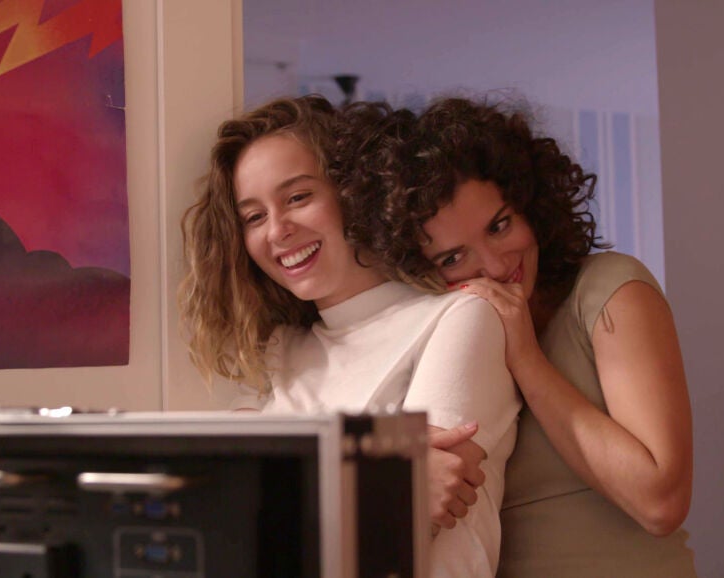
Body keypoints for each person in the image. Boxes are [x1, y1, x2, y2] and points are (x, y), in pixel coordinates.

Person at [345, 96, 697, 577]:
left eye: (499, 225)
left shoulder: (610, 289)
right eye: (453, 258)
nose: (494, 265)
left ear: (531, 204)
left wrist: (528, 360)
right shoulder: (444, 339)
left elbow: (661, 502)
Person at [178, 95, 521, 577]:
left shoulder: (460, 317)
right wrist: (378, 482)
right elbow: (218, 519)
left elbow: (402, 532)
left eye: (298, 197)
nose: (277, 230)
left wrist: (294, 485)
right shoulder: (277, 353)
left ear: (354, 191)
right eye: (254, 217)